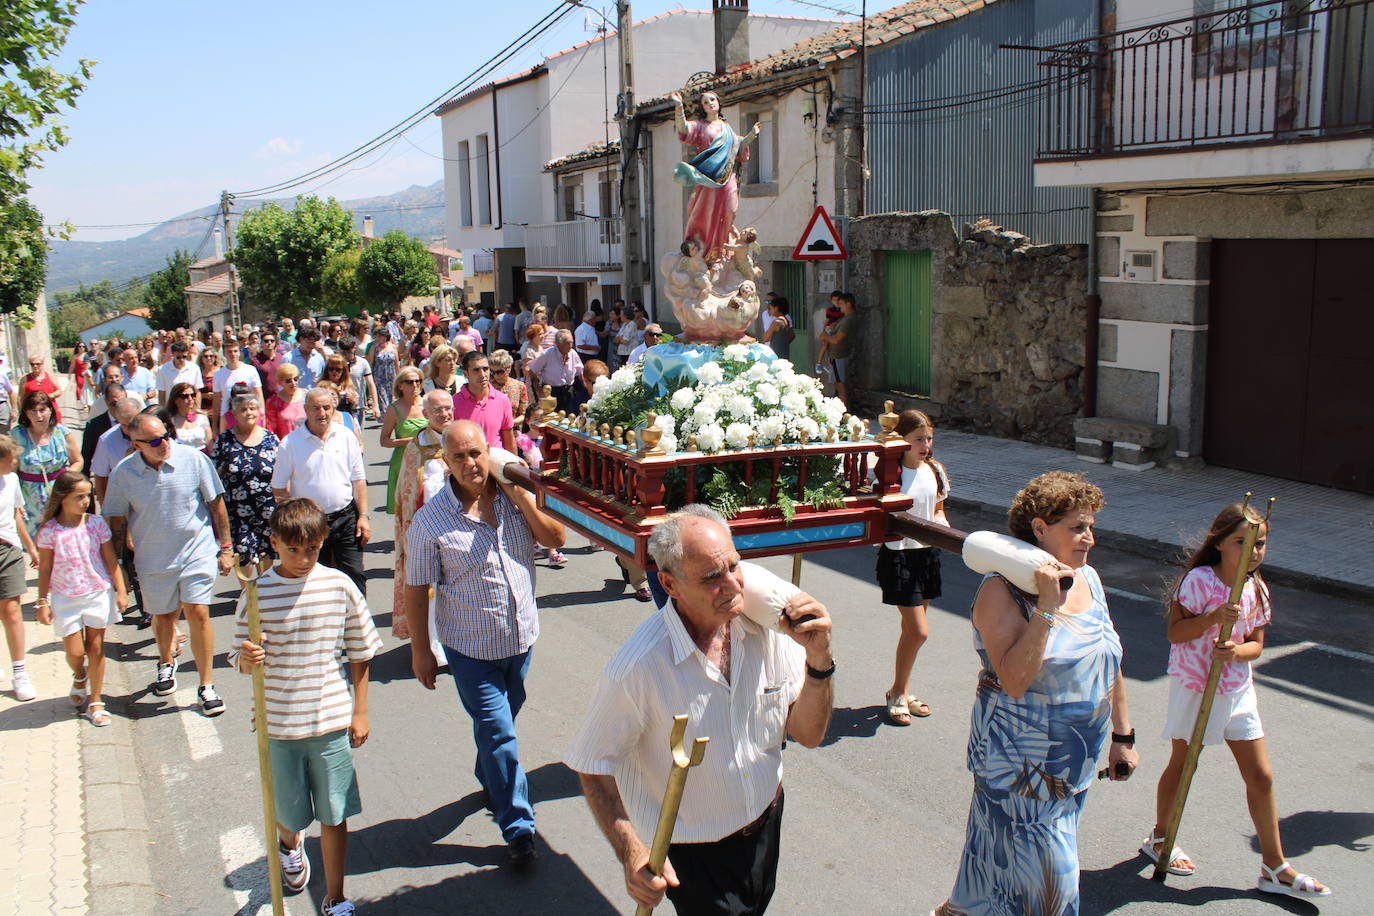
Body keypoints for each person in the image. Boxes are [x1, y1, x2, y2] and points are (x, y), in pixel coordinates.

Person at [566, 505, 835, 914]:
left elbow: (809, 735)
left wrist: (819, 659)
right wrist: (632, 851)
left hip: (766, 822)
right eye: (711, 577)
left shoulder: (771, 631)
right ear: (670, 585)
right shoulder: (638, 667)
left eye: (733, 566)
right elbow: (592, 765)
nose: (732, 585)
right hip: (693, 851)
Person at [935, 471, 1138, 916]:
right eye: (1077, 528)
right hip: (1018, 773)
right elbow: (1014, 680)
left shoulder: (1089, 579)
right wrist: (1047, 608)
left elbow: (1108, 659)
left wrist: (1123, 737)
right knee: (1052, 893)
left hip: (1072, 768)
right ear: (1040, 528)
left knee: (992, 874)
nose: (1089, 538)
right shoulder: (1000, 590)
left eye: (1090, 526)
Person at [1143, 503, 1331, 899]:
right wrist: (1212, 619)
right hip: (1196, 685)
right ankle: (1160, 837)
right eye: (1243, 542)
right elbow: (1176, 634)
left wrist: (1235, 652)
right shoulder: (1197, 580)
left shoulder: (1256, 587)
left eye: (1260, 543)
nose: (1254, 550)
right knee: (1184, 763)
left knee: (1261, 776)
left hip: (1237, 688)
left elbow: (1256, 646)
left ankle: (1274, 865)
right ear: (1221, 544)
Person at [404, 420, 566, 867]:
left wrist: (521, 499)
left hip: (520, 640)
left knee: (501, 726)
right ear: (445, 462)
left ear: (488, 451)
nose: (471, 464)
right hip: (470, 650)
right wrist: (422, 651)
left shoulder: (515, 496)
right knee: (498, 731)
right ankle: (519, 827)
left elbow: (556, 538)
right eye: (459, 457)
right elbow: (416, 591)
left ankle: (491, 776)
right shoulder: (430, 523)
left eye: (476, 453)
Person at [229, 498, 381, 916]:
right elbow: (237, 656)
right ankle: (289, 843)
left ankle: (335, 896)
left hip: (330, 719)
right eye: (292, 549)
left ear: (323, 542)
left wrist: (360, 710)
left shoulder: (339, 585)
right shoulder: (256, 594)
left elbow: (360, 650)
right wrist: (246, 658)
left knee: (334, 814)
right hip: (277, 725)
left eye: (311, 548)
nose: (303, 558)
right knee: (289, 812)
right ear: (274, 543)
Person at [103, 411, 234, 716]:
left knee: (198, 612)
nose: (164, 443)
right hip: (154, 558)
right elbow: (117, 522)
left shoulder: (195, 460)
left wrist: (225, 547)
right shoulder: (123, 474)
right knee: (163, 618)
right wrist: (117, 567)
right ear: (136, 445)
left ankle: (207, 685)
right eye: (154, 441)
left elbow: (216, 505)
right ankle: (165, 661)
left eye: (166, 435)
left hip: (196, 552)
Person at [35, 471, 127, 726]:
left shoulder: (96, 524)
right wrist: (42, 601)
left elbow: (110, 559)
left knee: (96, 648)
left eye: (88, 495)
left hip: (97, 592)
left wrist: (120, 590)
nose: (85, 501)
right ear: (62, 498)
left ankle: (96, 701)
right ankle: (79, 673)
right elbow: (44, 568)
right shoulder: (50, 531)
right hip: (65, 597)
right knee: (75, 652)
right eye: (79, 496)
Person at [877, 409, 949, 725]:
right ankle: (897, 691)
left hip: (927, 555)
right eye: (918, 439)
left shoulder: (934, 470)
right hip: (899, 556)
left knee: (911, 632)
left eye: (929, 438)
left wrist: (944, 527)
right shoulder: (889, 474)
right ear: (901, 440)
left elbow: (938, 509)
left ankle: (901, 691)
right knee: (919, 631)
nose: (925, 445)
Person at [271, 388, 370, 594]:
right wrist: (294, 519)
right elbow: (278, 487)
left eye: (326, 407)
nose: (322, 413)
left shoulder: (346, 436)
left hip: (346, 518)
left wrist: (364, 516)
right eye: (316, 408)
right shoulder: (290, 443)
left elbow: (359, 480)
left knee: (354, 576)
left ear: (333, 408)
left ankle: (356, 623)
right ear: (306, 409)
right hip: (310, 525)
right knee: (314, 581)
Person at [391, 390, 452, 667]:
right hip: (427, 532)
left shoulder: (462, 438)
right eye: (438, 410)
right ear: (426, 415)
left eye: (448, 408)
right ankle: (434, 649)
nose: (444, 414)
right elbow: (406, 492)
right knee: (431, 592)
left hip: (458, 530)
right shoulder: (417, 447)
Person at [669, 89, 761, 261]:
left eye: (712, 99)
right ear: (702, 108)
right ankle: (710, 255)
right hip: (709, 180)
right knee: (707, 215)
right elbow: (683, 129)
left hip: (728, 177)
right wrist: (679, 107)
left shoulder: (728, 130)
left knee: (730, 211)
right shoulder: (700, 127)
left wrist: (751, 136)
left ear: (719, 102)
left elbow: (738, 149)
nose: (710, 103)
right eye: (705, 102)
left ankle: (723, 250)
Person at [213, 390, 280, 570]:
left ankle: (265, 593)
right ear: (234, 414)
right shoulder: (224, 441)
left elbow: (282, 471)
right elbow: (214, 475)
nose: (249, 413)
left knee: (268, 551)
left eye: (252, 408)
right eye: (243, 409)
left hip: (267, 508)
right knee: (242, 555)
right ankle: (248, 595)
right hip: (237, 510)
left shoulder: (270, 439)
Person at [0, 436, 40, 701]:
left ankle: (19, 672)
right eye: (11, 458)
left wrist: (30, 546)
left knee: (12, 611)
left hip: (8, 550)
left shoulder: (12, 480)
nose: (16, 462)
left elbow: (16, 514)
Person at [14, 390, 82, 533]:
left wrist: (66, 478)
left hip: (59, 496)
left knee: (62, 538)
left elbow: (78, 461)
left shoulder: (62, 433)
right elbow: (10, 471)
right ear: (26, 413)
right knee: (36, 545)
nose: (38, 415)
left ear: (50, 410)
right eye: (33, 411)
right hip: (29, 501)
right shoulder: (16, 436)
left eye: (42, 410)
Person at [381, 367, 428, 514]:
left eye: (418, 381)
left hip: (427, 460)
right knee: (406, 511)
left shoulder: (428, 403)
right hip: (403, 461)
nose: (415, 385)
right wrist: (408, 441)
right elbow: (384, 440)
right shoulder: (394, 409)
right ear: (400, 385)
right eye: (409, 382)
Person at [452, 350, 516, 453]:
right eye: (476, 370)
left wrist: (515, 463)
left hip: (497, 463)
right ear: (465, 373)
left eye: (485, 369)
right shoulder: (454, 403)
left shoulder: (502, 400)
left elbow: (509, 438)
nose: (482, 375)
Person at [212, 341, 262, 435]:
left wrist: (262, 418)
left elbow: (259, 396)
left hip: (249, 416)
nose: (233, 354)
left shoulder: (250, 370)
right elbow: (216, 402)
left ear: (239, 352)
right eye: (229, 352)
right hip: (227, 419)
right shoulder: (218, 374)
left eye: (235, 351)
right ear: (224, 353)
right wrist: (214, 427)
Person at [526, 330, 582, 414]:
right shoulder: (548, 354)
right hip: (552, 392)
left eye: (571, 343)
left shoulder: (573, 354)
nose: (570, 346)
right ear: (558, 344)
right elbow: (531, 371)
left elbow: (580, 373)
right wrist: (540, 392)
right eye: (567, 343)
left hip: (568, 391)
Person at [818, 292, 857, 407]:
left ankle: (843, 412)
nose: (839, 306)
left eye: (841, 304)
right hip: (837, 355)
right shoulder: (845, 319)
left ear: (848, 304)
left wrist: (825, 336)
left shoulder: (848, 320)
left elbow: (836, 339)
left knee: (841, 386)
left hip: (839, 355)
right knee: (839, 384)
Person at [82, 380, 125, 476]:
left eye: (121, 403)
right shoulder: (94, 426)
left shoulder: (136, 422)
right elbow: (86, 457)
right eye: (113, 404)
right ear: (106, 401)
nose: (118, 407)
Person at [340, 337, 378, 427]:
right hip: (340, 405)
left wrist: (375, 405)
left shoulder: (362, 363)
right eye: (344, 352)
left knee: (358, 436)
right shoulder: (337, 363)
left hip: (358, 405)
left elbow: (371, 384)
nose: (347, 355)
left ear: (354, 348)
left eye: (349, 351)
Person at [264, 364, 308, 441]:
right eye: (288, 381)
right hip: (287, 445)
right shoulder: (273, 402)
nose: (293, 383)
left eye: (296, 379)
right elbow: (270, 429)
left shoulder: (307, 396)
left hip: (308, 442)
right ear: (280, 383)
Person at [167, 382, 212, 452]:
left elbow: (210, 444)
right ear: (175, 400)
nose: (190, 398)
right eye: (185, 396)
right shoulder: (170, 421)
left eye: (193, 395)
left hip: (202, 457)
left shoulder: (202, 418)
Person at [21, 354, 64, 425]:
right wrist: (22, 412)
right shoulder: (25, 379)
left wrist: (50, 395)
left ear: (42, 364)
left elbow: (59, 391)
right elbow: (20, 398)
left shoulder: (50, 376)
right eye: (32, 364)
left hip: (50, 411)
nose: (35, 366)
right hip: (34, 413)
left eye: (37, 364)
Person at [156, 341, 201, 407]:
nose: (182, 359)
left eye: (184, 356)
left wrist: (198, 408)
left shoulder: (195, 368)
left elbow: (197, 391)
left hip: (190, 407)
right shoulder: (162, 369)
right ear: (173, 354)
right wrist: (162, 412)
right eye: (178, 357)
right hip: (172, 409)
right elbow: (162, 393)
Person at [488, 350, 528, 426]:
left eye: (500, 372)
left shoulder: (520, 386)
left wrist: (509, 424)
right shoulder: (487, 387)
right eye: (493, 372)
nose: (496, 375)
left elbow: (524, 415)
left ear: (509, 368)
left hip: (513, 430)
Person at [369, 329, 398, 415]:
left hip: (391, 377)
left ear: (384, 337)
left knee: (391, 399)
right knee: (382, 399)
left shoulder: (393, 347)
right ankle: (386, 418)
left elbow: (396, 364)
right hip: (379, 378)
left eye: (379, 336)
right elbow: (370, 361)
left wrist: (399, 377)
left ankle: (391, 417)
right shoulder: (375, 347)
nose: (377, 338)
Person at [70, 341, 93, 411]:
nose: (81, 348)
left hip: (86, 373)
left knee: (87, 388)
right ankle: (84, 403)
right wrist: (69, 374)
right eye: (80, 346)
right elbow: (72, 366)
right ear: (77, 347)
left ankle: (87, 402)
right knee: (80, 387)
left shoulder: (87, 355)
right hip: (78, 374)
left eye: (83, 346)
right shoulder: (75, 356)